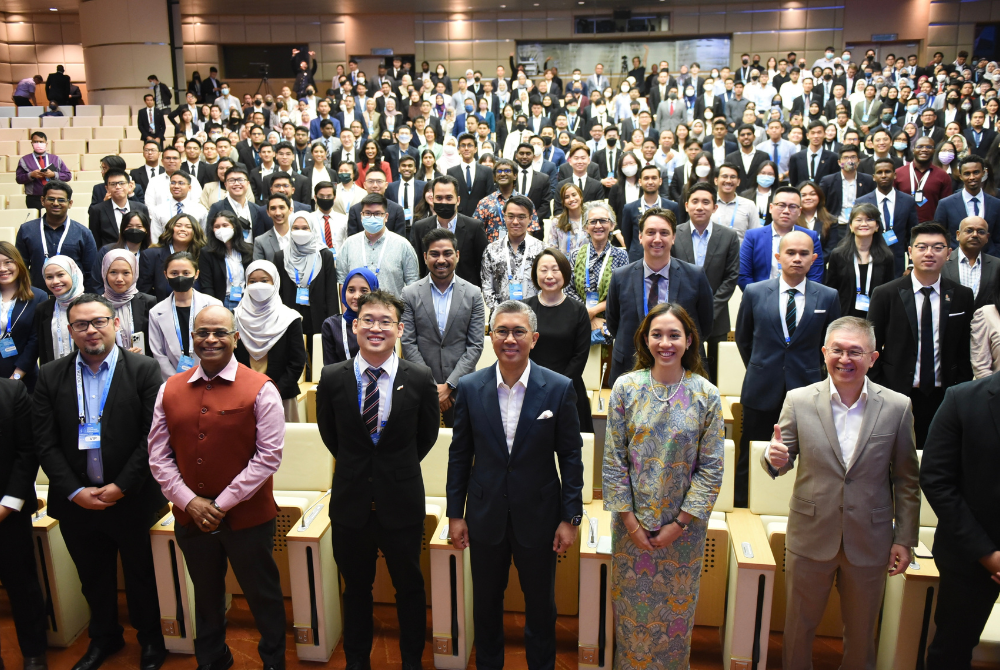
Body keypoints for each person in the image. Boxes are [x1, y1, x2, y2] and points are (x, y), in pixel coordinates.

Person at [764, 316, 919, 670]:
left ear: (873, 358)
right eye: (837, 350)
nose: (845, 359)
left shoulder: (897, 407)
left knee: (862, 634)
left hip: (871, 540)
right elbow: (779, 459)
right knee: (798, 629)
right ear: (824, 352)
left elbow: (907, 480)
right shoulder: (799, 400)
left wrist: (904, 539)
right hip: (810, 536)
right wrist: (772, 459)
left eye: (855, 352)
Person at [446, 299, 584, 670]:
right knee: (486, 609)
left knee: (541, 610)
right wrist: (455, 515)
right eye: (502, 330)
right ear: (491, 336)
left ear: (534, 338)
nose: (510, 338)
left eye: (518, 331)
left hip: (539, 518)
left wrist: (571, 517)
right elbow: (460, 455)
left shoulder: (557, 388)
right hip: (484, 514)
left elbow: (571, 456)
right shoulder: (471, 387)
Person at [148, 304, 287, 670]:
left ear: (235, 337)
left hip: (248, 520)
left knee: (264, 596)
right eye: (202, 332)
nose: (210, 339)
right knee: (206, 598)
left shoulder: (261, 388)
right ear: (192, 337)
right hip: (191, 520)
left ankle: (273, 661)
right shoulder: (170, 389)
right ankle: (212, 660)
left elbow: (268, 457)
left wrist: (220, 504)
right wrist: (189, 502)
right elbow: (158, 457)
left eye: (220, 332)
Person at [33, 293, 167, 670]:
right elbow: (43, 441)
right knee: (93, 578)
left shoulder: (143, 369)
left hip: (133, 497)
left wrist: (120, 486)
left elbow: (153, 436)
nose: (91, 330)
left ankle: (151, 640)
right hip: (77, 502)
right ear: (70, 330)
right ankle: (104, 638)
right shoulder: (51, 374)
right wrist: (75, 491)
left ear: (116, 323)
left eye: (98, 322)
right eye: (81, 324)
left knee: (141, 576)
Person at [316, 290, 439, 670]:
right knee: (355, 590)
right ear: (354, 326)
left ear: (399, 330)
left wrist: (391, 469)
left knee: (410, 588)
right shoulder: (332, 377)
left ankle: (411, 662)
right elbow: (331, 435)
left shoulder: (418, 378)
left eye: (386, 321)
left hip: (401, 502)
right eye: (368, 320)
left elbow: (426, 436)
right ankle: (357, 662)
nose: (376, 328)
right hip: (351, 504)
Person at [603, 302, 723, 669]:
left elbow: (711, 469)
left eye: (674, 335)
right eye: (657, 334)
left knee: (674, 623)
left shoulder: (706, 394)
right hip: (630, 531)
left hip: (683, 535)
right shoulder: (626, 387)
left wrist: (679, 525)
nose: (665, 342)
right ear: (645, 339)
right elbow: (613, 461)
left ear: (689, 340)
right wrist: (631, 524)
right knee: (631, 623)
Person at [734, 230, 841, 506]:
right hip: (761, 385)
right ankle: (743, 503)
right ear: (778, 257)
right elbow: (745, 339)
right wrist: (762, 367)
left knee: (806, 454)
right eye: (790, 253)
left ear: (814, 259)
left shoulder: (828, 297)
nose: (796, 258)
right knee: (752, 450)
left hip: (806, 388)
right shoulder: (756, 292)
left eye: (804, 254)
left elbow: (831, 346)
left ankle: (796, 506)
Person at [919, 363, 1000, 667]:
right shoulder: (962, 399)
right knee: (951, 652)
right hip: (969, 557)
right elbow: (936, 479)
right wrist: (988, 555)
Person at [868, 222, 974, 449]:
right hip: (896, 394)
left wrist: (960, 389)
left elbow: (964, 350)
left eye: (937, 247)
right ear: (910, 252)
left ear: (948, 253)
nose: (929, 253)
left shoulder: (962, 296)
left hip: (945, 395)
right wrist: (880, 387)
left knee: (939, 458)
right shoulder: (886, 294)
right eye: (922, 247)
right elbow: (871, 347)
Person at [605, 207, 714, 385]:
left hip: (683, 368)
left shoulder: (695, 276)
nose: (657, 239)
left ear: (673, 238)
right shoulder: (620, 276)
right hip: (630, 368)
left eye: (664, 233)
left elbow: (705, 325)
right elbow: (613, 322)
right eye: (650, 233)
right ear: (640, 237)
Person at [401, 227, 485, 426]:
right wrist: (432, 387)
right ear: (425, 257)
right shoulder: (409, 293)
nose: (441, 260)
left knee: (462, 447)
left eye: (447, 253)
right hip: (420, 386)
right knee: (421, 448)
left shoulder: (473, 294)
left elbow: (475, 346)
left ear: (456, 255)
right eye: (434, 254)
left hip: (461, 386)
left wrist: (449, 386)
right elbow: (408, 343)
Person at [0, 373, 49, 670]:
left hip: (8, 512)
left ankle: (34, 652)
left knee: (22, 585)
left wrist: (8, 505)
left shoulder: (12, 392)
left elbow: (27, 452)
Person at [671, 183, 741, 382]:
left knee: (713, 375)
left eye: (705, 202)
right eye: (694, 201)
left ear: (715, 207)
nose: (700, 206)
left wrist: (711, 308)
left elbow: (731, 277)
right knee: (681, 373)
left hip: (716, 319)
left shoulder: (728, 236)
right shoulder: (675, 234)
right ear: (686, 206)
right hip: (680, 315)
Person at [523, 247, 594, 432]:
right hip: (530, 389)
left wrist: (557, 387)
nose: (549, 275)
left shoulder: (578, 310)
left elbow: (580, 356)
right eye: (543, 270)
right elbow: (519, 350)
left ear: (565, 272)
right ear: (535, 274)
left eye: (555, 269)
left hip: (568, 389)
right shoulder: (524, 309)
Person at [233, 259, 306, 421]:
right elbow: (232, 359)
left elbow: (297, 362)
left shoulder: (290, 318)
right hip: (243, 398)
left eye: (265, 281)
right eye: (252, 281)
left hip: (282, 397)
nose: (258, 285)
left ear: (275, 283)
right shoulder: (235, 317)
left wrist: (275, 392)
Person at [148, 251, 222, 382]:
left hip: (211, 376)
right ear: (166, 275)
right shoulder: (156, 312)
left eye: (186, 273)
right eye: (174, 273)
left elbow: (221, 344)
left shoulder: (214, 305)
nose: (180, 277)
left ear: (196, 274)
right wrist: (177, 381)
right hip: (173, 381)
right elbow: (159, 354)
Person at [273, 211, 338, 357]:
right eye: (295, 228)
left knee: (319, 357)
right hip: (289, 317)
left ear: (313, 229)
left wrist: (333, 323)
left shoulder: (324, 255)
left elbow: (331, 294)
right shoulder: (281, 256)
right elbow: (278, 292)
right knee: (293, 357)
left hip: (319, 316)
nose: (300, 232)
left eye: (305, 228)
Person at [16, 181, 100, 294]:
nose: (56, 203)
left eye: (61, 200)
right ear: (42, 201)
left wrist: (88, 300)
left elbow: (91, 272)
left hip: (74, 299)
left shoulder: (83, 233)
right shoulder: (27, 230)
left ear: (70, 203)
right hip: (37, 297)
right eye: (51, 199)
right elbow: (21, 267)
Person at [738, 186, 824, 289]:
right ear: (771, 208)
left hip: (799, 299)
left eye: (792, 206)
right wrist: (759, 297)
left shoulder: (810, 237)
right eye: (781, 205)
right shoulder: (753, 236)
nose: (786, 211)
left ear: (800, 211)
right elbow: (743, 275)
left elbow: (816, 276)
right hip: (760, 298)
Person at [409, 175, 489, 287]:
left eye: (449, 198)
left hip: (466, 293)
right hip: (431, 291)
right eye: (439, 198)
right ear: (432, 200)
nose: (444, 202)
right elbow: (420, 266)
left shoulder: (474, 227)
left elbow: (483, 266)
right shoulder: (420, 227)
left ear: (458, 200)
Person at [337, 193, 420, 298]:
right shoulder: (349, 244)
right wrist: (346, 313)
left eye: (377, 214)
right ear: (361, 216)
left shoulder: (403, 245)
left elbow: (412, 282)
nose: (372, 217)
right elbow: (342, 281)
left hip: (392, 311)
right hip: (356, 312)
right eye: (367, 213)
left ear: (386, 217)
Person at [823, 203, 896, 318]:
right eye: (859, 220)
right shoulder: (838, 255)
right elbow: (831, 290)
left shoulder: (886, 257)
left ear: (877, 226)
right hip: (844, 316)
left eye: (869, 219)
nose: (864, 224)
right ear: (851, 226)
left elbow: (889, 292)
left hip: (876, 317)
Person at [480, 194, 546, 312]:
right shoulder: (491, 250)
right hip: (500, 318)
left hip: (534, 316)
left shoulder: (542, 250)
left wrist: (533, 313)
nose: (515, 222)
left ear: (530, 218)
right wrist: (499, 312)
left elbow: (545, 285)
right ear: (504, 217)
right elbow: (487, 287)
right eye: (510, 216)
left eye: (521, 217)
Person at [856, 157, 920, 277]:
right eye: (880, 172)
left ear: (895, 175)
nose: (884, 175)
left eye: (888, 171)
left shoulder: (908, 201)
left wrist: (912, 264)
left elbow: (913, 234)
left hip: (898, 263)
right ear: (874, 177)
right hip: (870, 261)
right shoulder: (862, 202)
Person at [0, 243, 47, 390]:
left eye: (8, 262)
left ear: (18, 263)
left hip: (22, 379)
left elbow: (35, 341)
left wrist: (16, 377)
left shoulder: (38, 296)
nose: (2, 269)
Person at [933, 155, 1000, 255]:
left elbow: (998, 237)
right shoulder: (946, 204)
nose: (972, 177)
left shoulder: (996, 204)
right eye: (967, 173)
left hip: (989, 262)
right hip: (955, 261)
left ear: (983, 173)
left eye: (976, 172)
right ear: (960, 176)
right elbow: (938, 236)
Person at [620, 164, 682, 261]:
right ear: (640, 182)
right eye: (646, 178)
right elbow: (627, 237)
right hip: (637, 257)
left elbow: (676, 234)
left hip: (665, 257)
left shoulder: (672, 207)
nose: (650, 182)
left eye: (654, 178)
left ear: (660, 181)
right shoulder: (629, 208)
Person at [142, 213, 207, 303]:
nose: (183, 229)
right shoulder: (151, 255)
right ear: (171, 229)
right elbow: (144, 291)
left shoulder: (203, 255)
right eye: (178, 226)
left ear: (195, 231)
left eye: (188, 226)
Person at [100, 249, 155, 355]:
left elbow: (155, 341)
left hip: (141, 364)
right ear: (104, 273)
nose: (119, 279)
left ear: (134, 273)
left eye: (126, 273)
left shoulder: (148, 302)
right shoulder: (97, 305)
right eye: (113, 272)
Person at [941, 215, 1000, 310]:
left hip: (985, 323)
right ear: (958, 235)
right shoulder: (942, 262)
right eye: (969, 231)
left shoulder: (997, 265)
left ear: (987, 237)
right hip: (950, 322)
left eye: (981, 232)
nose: (975, 235)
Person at [321, 268, 377, 366]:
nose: (356, 296)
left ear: (374, 292)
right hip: (341, 380)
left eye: (364, 291)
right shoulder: (331, 325)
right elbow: (329, 369)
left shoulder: (381, 323)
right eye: (351, 290)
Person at [36, 255, 86, 366]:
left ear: (73, 274)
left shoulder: (91, 305)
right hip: (56, 376)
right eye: (49, 277)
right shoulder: (43, 309)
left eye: (60, 275)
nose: (55, 281)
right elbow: (42, 350)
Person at [200, 211, 253, 309]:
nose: (221, 229)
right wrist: (213, 307)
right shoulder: (207, 253)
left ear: (234, 227)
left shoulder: (249, 250)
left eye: (225, 225)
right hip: (222, 302)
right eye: (217, 226)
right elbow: (207, 285)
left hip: (247, 301)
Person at [894, 136, 953, 223]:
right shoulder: (898, 173)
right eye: (920, 146)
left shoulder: (942, 175)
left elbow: (947, 206)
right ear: (913, 150)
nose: (924, 149)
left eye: (929, 147)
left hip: (931, 228)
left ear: (934, 151)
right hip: (904, 227)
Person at [88, 168, 150, 248]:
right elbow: (95, 239)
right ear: (107, 188)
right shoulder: (97, 210)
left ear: (130, 186)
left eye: (121, 183)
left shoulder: (141, 208)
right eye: (113, 184)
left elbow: (147, 236)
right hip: (109, 255)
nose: (118, 187)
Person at [447, 133, 496, 216]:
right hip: (459, 215)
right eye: (463, 145)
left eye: (469, 145)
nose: (466, 148)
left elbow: (490, 195)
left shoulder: (486, 171)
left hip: (482, 215)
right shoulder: (451, 172)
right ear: (458, 149)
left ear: (476, 149)